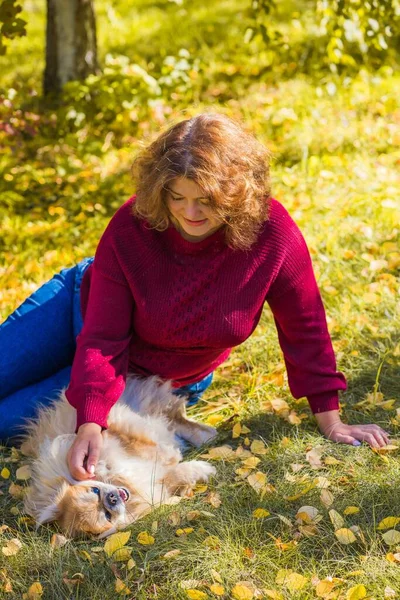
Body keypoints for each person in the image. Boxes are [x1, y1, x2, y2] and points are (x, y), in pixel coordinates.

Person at [0, 113, 389, 481]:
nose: (190, 212)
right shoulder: (131, 228)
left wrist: (331, 420)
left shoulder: (272, 235)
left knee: (6, 419)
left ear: (236, 193)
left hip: (148, 378)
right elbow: (104, 337)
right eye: (177, 197)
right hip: (80, 309)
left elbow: (305, 327)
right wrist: (91, 419)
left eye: (205, 199)